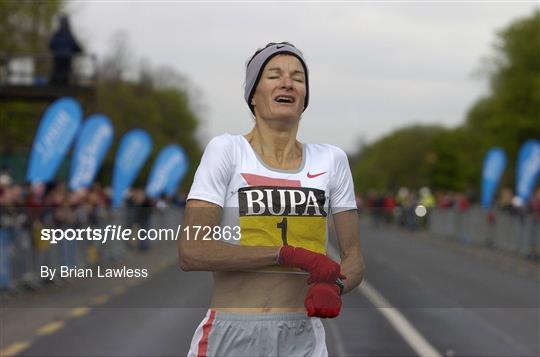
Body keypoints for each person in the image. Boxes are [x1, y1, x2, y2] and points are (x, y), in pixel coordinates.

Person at [179, 42, 364, 357]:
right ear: (253, 94)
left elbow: (354, 259)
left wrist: (335, 287)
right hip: (232, 333)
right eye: (274, 75)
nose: (288, 83)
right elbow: (192, 251)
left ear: (304, 97)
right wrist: (286, 254)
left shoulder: (331, 160)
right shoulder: (227, 150)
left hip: (301, 336)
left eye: (298, 78)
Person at [49, 15, 82, 85]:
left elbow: (51, 45)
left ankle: (54, 84)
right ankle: (62, 84)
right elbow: (76, 46)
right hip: (65, 59)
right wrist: (78, 51)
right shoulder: (68, 35)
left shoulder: (57, 34)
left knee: (57, 73)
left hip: (59, 59)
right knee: (65, 74)